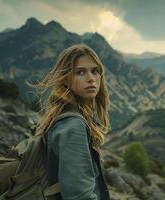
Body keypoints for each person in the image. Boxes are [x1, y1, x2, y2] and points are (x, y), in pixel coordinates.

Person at [28, 43, 111, 200]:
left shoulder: (64, 116)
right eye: (80, 72)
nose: (91, 79)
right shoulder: (73, 126)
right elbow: (79, 196)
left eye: (95, 71)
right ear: (65, 79)